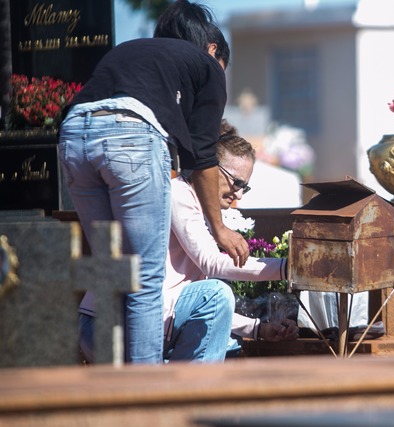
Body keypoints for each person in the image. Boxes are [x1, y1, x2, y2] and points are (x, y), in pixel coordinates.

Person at [60, 0, 249, 364]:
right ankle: (146, 398)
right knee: (145, 277)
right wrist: (220, 229)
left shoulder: (134, 51)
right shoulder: (208, 65)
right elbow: (206, 156)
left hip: (73, 135)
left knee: (111, 268)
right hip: (130, 136)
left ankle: (111, 379)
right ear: (213, 50)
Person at [164, 120, 299, 362]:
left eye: (244, 188)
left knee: (227, 334)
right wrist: (288, 268)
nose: (238, 194)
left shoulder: (201, 206)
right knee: (217, 293)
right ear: (209, 168)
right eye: (236, 183)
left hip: (161, 320)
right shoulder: (178, 192)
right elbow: (212, 265)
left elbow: (193, 300)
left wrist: (258, 328)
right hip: (114, 323)